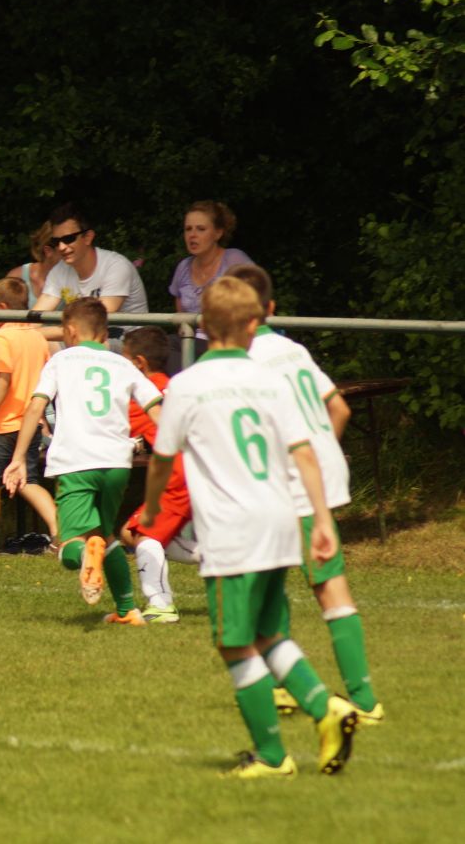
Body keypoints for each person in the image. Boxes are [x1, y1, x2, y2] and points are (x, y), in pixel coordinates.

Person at [145, 276, 360, 777]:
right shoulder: (271, 381)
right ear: (252, 325)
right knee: (266, 633)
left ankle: (275, 753)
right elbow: (304, 452)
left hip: (231, 529)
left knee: (233, 642)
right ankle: (326, 710)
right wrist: (321, 519)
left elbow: (161, 458)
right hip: (281, 519)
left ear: (202, 325)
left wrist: (152, 509)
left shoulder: (187, 385)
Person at [229, 263, 384, 725]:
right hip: (317, 475)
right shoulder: (292, 349)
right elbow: (339, 408)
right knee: (295, 580)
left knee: (299, 586)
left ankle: (348, 699)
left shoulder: (245, 361)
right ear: (271, 307)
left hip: (291, 484)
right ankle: (329, 693)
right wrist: (321, 455)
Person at [4, 298, 163, 625]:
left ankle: (87, 557)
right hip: (117, 464)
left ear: (70, 331)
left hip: (76, 462)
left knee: (69, 547)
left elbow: (36, 407)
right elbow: (156, 408)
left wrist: (18, 457)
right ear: (104, 333)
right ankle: (127, 610)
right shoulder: (122, 364)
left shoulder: (61, 360)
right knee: (104, 535)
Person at [0, 276, 57, 555]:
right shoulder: (37, 337)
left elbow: (3, 380)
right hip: (31, 422)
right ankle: (60, 532)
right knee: (28, 481)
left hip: (5, 423)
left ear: (3, 307)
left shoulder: (3, 338)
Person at [115, 328, 198, 623]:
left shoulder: (141, 395)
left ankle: (161, 604)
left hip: (175, 474)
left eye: (125, 361)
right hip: (197, 470)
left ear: (139, 363)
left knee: (144, 534)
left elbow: (115, 426)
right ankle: (225, 559)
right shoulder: (175, 387)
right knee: (131, 532)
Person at [32, 203, 150, 346]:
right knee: (37, 346)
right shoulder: (59, 270)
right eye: (56, 242)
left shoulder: (116, 266)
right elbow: (34, 318)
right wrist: (20, 332)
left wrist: (31, 333)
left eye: (68, 239)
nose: (61, 247)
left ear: (88, 237)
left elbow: (93, 323)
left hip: (129, 345)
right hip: (83, 339)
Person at [0, 223, 58, 400]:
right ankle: (2, 414)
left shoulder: (75, 277)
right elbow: (3, 317)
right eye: (62, 244)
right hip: (20, 347)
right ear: (48, 250)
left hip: (55, 347)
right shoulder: (17, 277)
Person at [168, 201, 254, 316]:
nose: (192, 235)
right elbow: (180, 318)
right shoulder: (183, 267)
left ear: (218, 233)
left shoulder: (235, 260)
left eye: (201, 229)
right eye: (188, 229)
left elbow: (259, 304)